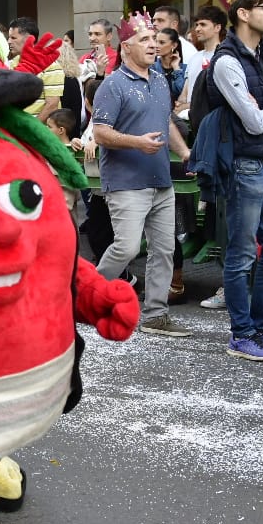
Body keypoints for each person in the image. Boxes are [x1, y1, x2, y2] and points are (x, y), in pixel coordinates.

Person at [199, 0, 263, 360]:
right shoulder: (226, 62)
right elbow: (255, 120)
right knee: (242, 253)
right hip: (246, 165)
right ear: (243, 13)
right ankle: (242, 333)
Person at [91, 19, 192, 338]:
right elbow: (100, 133)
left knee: (164, 249)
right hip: (125, 181)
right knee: (127, 247)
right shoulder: (113, 84)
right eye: (145, 39)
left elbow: (166, 123)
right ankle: (86, 295)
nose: (153, 44)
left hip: (161, 179)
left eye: (155, 39)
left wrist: (186, 153)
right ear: (126, 47)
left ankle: (155, 315)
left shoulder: (160, 80)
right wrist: (138, 142)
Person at [6, 16, 66, 123]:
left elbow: (52, 104)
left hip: (37, 131)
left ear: (30, 38)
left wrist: (32, 129)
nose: (9, 41)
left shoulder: (51, 66)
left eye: (13, 38)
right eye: (9, 37)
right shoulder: (10, 64)